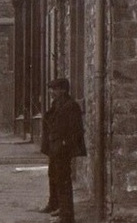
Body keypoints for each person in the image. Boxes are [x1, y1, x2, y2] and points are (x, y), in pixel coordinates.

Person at [39, 77, 85, 223]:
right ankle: (55, 204)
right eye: (51, 89)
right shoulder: (58, 104)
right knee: (53, 175)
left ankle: (66, 216)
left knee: (63, 180)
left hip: (62, 149)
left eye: (54, 89)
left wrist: (64, 144)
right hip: (54, 147)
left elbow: (75, 130)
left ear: (63, 90)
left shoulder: (71, 106)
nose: (51, 92)